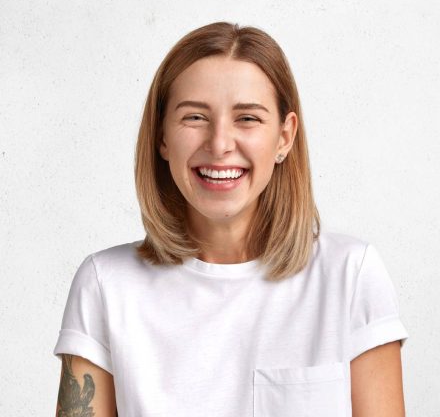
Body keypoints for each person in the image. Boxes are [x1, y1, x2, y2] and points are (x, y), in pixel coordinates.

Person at [53, 21, 409, 416]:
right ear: (162, 136)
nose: (220, 144)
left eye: (248, 118)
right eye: (195, 117)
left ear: (284, 137)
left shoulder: (350, 276)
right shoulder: (105, 285)